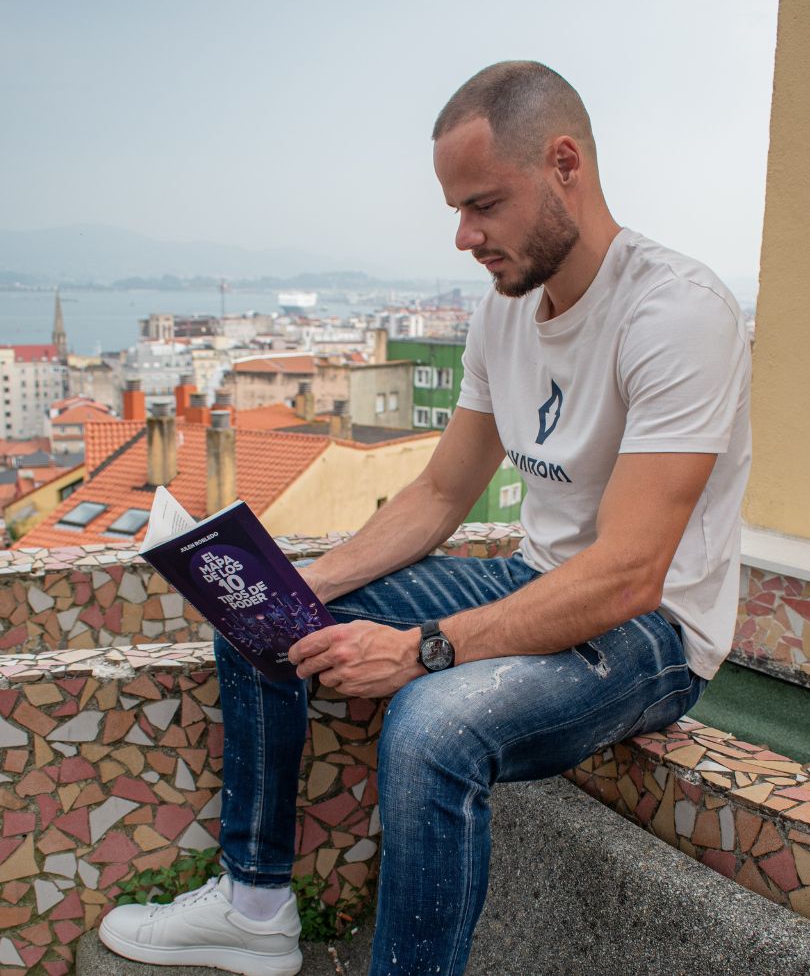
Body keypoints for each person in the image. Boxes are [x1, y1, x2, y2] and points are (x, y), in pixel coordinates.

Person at [100, 61, 751, 976]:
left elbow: (629, 573)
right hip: (533, 579)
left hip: (651, 633)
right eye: (456, 209)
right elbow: (441, 493)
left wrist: (421, 650)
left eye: (483, 204)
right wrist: (305, 586)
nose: (463, 236)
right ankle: (253, 907)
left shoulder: (677, 313)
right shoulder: (504, 313)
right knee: (256, 613)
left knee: (431, 727)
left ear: (565, 164)